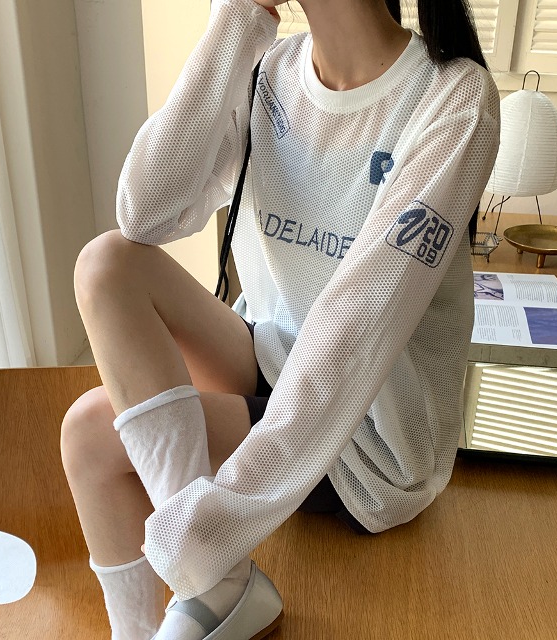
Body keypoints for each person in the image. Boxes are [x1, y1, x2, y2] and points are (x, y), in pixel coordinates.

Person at [60, 0, 500, 638]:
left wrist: (218, 520)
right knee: (106, 264)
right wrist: (237, 20)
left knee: (90, 435)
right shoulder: (270, 69)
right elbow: (145, 212)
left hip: (365, 438)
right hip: (272, 358)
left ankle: (207, 568)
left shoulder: (453, 98)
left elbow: (353, 332)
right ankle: (208, 587)